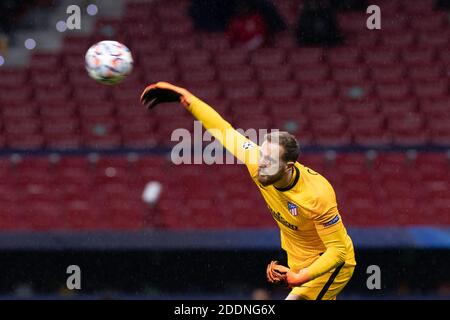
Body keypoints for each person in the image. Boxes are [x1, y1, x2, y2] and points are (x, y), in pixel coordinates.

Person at [139, 82, 356, 300]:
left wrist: (300, 277)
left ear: (288, 167)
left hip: (329, 265)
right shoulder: (257, 162)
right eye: (262, 155)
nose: (261, 163)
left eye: (269, 161)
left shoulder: (317, 194)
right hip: (297, 261)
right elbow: (224, 131)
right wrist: (187, 99)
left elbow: (337, 252)